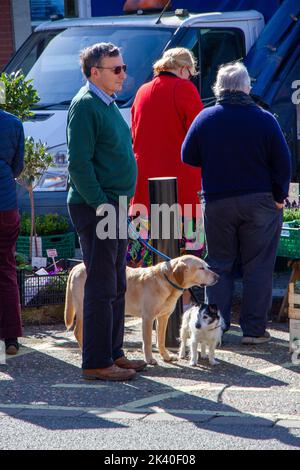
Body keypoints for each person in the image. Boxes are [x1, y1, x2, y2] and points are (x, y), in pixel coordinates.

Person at [182, 61, 291, 344]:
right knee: (259, 266)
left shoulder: (206, 118)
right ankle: (254, 331)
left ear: (218, 88)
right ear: (246, 87)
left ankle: (214, 330)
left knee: (219, 264)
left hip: (218, 202)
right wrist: (279, 197)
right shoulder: (265, 119)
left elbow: (188, 156)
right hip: (260, 202)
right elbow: (283, 162)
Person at [67, 43, 146, 381]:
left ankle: (113, 353)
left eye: (124, 68)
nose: (123, 74)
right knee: (101, 285)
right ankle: (97, 362)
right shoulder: (85, 105)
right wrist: (102, 205)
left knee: (116, 282)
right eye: (116, 69)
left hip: (113, 205)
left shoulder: (106, 103)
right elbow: (78, 165)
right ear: (94, 71)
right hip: (96, 206)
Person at [131, 47, 204, 217]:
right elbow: (199, 134)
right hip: (180, 183)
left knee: (151, 240)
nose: (189, 77)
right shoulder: (184, 88)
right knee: (187, 241)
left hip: (145, 183)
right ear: (183, 69)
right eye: (190, 73)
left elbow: (135, 134)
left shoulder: (142, 91)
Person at [0, 109, 24, 355]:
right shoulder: (14, 124)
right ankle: (11, 339)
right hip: (6, 204)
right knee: (6, 268)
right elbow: (17, 167)